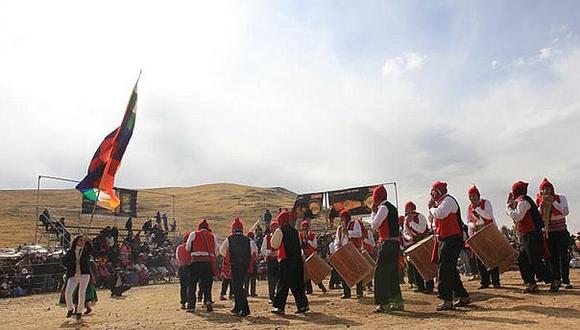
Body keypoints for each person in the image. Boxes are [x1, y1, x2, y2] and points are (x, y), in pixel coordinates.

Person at [507, 181, 557, 293]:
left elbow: (517, 217)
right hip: (528, 234)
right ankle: (531, 283)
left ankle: (552, 280)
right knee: (522, 258)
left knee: (535, 260)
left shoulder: (523, 202)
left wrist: (508, 208)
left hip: (532, 235)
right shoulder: (523, 201)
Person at [428, 181, 470, 311]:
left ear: (439, 191)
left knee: (445, 269)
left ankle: (447, 299)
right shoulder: (440, 203)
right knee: (450, 269)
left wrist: (431, 208)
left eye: (434, 191)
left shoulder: (448, 201)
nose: (432, 194)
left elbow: (440, 214)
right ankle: (463, 296)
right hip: (444, 239)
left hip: (452, 239)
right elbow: (433, 222)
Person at [370, 185, 404, 313]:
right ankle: (397, 302)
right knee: (391, 275)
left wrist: (373, 212)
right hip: (394, 244)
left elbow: (374, 225)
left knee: (380, 274)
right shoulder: (391, 207)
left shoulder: (383, 207)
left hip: (387, 244)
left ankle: (383, 304)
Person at [271, 211, 310, 315]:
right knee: (297, 284)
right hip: (297, 261)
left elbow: (274, 244)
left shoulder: (280, 230)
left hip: (286, 260)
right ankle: (303, 305)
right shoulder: (295, 231)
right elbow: (300, 244)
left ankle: (279, 307)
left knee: (283, 284)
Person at [536, 178, 572, 289]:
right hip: (549, 232)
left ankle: (566, 279)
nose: (546, 191)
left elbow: (565, 212)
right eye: (544, 189)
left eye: (548, 189)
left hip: (561, 231)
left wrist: (553, 202)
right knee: (552, 258)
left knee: (563, 257)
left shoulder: (561, 198)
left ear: (552, 189)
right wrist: (542, 205)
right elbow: (538, 216)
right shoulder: (538, 200)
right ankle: (556, 279)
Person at [219, 218, 256, 317]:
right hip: (244, 265)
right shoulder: (248, 239)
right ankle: (237, 307)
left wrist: (230, 255)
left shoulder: (229, 238)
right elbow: (254, 250)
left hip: (235, 264)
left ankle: (244, 309)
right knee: (238, 286)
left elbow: (222, 251)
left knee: (237, 287)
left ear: (233, 229)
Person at [466, 186, 500, 289]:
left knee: (492, 257)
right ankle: (484, 282)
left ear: (478, 195)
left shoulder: (486, 203)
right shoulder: (469, 208)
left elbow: (488, 216)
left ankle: (496, 281)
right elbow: (468, 221)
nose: (472, 198)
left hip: (488, 231)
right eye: (470, 196)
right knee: (480, 258)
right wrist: (472, 226)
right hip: (477, 232)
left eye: (474, 195)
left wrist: (477, 209)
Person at [185, 219, 219, 312]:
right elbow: (216, 250)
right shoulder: (212, 236)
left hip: (196, 262)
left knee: (192, 284)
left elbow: (187, 247)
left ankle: (191, 305)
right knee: (207, 284)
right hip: (208, 262)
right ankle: (207, 300)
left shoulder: (194, 234)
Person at [402, 201, 434, 293]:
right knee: (416, 265)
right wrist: (409, 238)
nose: (408, 213)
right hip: (413, 243)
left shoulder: (420, 216)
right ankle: (420, 286)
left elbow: (422, 229)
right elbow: (405, 232)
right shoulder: (406, 220)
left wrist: (412, 222)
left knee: (426, 264)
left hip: (423, 242)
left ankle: (429, 286)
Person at [333, 210, 364, 298]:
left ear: (347, 218)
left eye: (344, 218)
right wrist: (337, 250)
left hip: (354, 251)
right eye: (341, 218)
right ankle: (347, 292)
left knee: (357, 271)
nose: (342, 220)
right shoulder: (339, 228)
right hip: (344, 252)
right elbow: (337, 241)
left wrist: (348, 232)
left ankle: (359, 292)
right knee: (344, 272)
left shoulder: (355, 223)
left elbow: (359, 234)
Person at [62, 234, 93, 320]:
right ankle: (70, 308)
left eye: (83, 240)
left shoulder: (85, 251)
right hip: (73, 274)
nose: (82, 242)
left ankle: (79, 311)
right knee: (68, 293)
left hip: (84, 274)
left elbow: (91, 249)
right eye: (80, 240)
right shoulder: (70, 251)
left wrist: (88, 242)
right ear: (76, 241)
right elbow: (64, 262)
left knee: (81, 293)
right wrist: (72, 264)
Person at [300, 220, 328, 294]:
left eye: (305, 228)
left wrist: (308, 240)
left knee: (314, 273)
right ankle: (308, 289)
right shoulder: (300, 235)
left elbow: (315, 246)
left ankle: (322, 287)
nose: (304, 229)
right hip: (305, 256)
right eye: (303, 228)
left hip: (311, 256)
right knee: (306, 273)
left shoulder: (312, 235)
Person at [261, 221, 280, 303]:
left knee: (279, 280)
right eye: (273, 228)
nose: (274, 230)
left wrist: (278, 253)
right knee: (271, 280)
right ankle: (272, 297)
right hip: (271, 261)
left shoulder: (281, 237)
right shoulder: (267, 237)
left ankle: (279, 296)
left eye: (276, 228)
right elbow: (262, 249)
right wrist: (269, 252)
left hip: (279, 261)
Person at [176, 232, 193, 310]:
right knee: (190, 286)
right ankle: (190, 302)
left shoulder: (179, 247)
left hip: (182, 267)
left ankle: (183, 302)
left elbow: (177, 258)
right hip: (190, 267)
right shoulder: (191, 247)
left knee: (183, 286)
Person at [244, 231, 259, 297]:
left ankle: (246, 292)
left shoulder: (244, 242)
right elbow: (256, 251)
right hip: (252, 261)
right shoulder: (252, 242)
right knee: (253, 278)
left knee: (246, 278)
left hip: (246, 261)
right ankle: (253, 292)